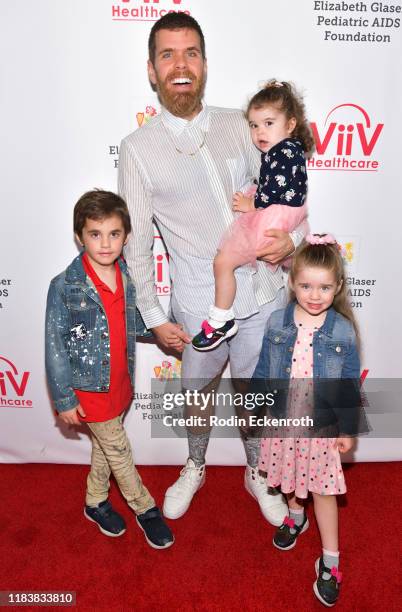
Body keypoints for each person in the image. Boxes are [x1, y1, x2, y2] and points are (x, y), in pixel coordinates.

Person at [118, 13, 307, 525]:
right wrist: (154, 315)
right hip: (201, 304)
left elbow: (289, 197)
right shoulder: (137, 150)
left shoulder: (243, 125)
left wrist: (292, 242)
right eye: (167, 55)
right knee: (197, 395)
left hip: (264, 293)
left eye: (191, 53)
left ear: (204, 62)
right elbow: (134, 244)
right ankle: (195, 464)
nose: (181, 65)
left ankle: (256, 470)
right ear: (153, 71)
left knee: (254, 393)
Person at [45, 190, 174, 549]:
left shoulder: (126, 274)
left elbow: (130, 320)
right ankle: (145, 508)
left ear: (126, 236)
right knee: (118, 449)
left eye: (114, 234)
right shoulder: (65, 286)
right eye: (95, 234)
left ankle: (95, 501)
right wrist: (64, 398)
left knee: (104, 449)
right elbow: (54, 346)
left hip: (119, 380)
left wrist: (163, 331)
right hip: (88, 387)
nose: (105, 244)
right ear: (79, 236)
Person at [251, 234, 362, 606]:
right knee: (287, 473)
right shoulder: (277, 321)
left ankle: (330, 560)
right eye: (306, 285)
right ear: (293, 282)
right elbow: (265, 368)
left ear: (339, 287)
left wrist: (347, 427)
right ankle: (295, 516)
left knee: (324, 491)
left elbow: (347, 383)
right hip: (283, 420)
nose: (315, 295)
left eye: (325, 287)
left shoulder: (342, 331)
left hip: (321, 428)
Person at [192, 80, 314, 352]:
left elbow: (274, 191)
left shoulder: (284, 152)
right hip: (279, 215)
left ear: (290, 124)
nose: (260, 131)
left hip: (272, 215)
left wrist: (252, 203)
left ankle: (221, 318)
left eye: (269, 123)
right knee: (229, 261)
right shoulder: (284, 150)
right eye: (254, 125)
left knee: (223, 261)